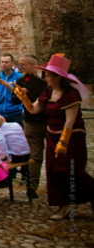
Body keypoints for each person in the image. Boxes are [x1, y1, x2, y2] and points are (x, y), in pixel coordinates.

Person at [13, 54, 94, 220]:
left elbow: (70, 121)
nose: (46, 79)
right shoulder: (48, 92)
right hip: (52, 136)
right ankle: (63, 205)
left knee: (72, 172)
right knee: (54, 171)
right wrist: (24, 98)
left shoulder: (70, 94)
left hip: (71, 138)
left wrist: (63, 142)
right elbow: (34, 110)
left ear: (58, 77)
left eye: (49, 76)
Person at [12, 53, 47, 198]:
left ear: (33, 64)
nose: (21, 67)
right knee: (35, 155)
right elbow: (14, 100)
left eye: (24, 64)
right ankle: (32, 187)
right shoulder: (22, 80)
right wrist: (21, 94)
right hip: (31, 121)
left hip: (49, 120)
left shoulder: (46, 79)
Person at [0, 54, 23, 124]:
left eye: (6, 62)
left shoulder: (19, 77)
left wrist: (7, 85)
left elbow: (20, 94)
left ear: (12, 63)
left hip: (15, 113)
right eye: (2, 62)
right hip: (0, 113)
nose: (4, 64)